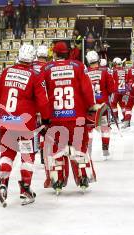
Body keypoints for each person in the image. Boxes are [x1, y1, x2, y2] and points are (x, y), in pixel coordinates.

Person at [0, 44, 50, 205]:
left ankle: (3, 183)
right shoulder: (34, 75)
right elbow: (42, 101)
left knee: (7, 154)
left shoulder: (6, 72)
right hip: (25, 124)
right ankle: (25, 190)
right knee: (27, 155)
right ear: (32, 59)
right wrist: (46, 119)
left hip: (6, 121)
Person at [42, 41, 99, 194]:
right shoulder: (79, 66)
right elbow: (87, 90)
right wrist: (91, 107)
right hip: (77, 117)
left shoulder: (46, 69)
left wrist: (43, 115)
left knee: (57, 149)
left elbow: (42, 95)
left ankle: (58, 179)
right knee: (80, 147)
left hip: (55, 118)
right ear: (67, 53)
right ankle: (83, 177)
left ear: (54, 53)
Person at [85, 50, 115, 157]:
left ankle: (88, 150)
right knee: (105, 127)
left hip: (90, 106)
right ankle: (105, 148)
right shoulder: (105, 71)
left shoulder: (85, 72)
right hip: (103, 105)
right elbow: (112, 88)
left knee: (89, 129)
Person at [110, 57, 127, 123]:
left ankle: (115, 118)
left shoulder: (113, 70)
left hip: (116, 91)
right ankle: (125, 118)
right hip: (123, 90)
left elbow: (111, 80)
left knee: (113, 104)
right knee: (123, 105)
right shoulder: (125, 70)